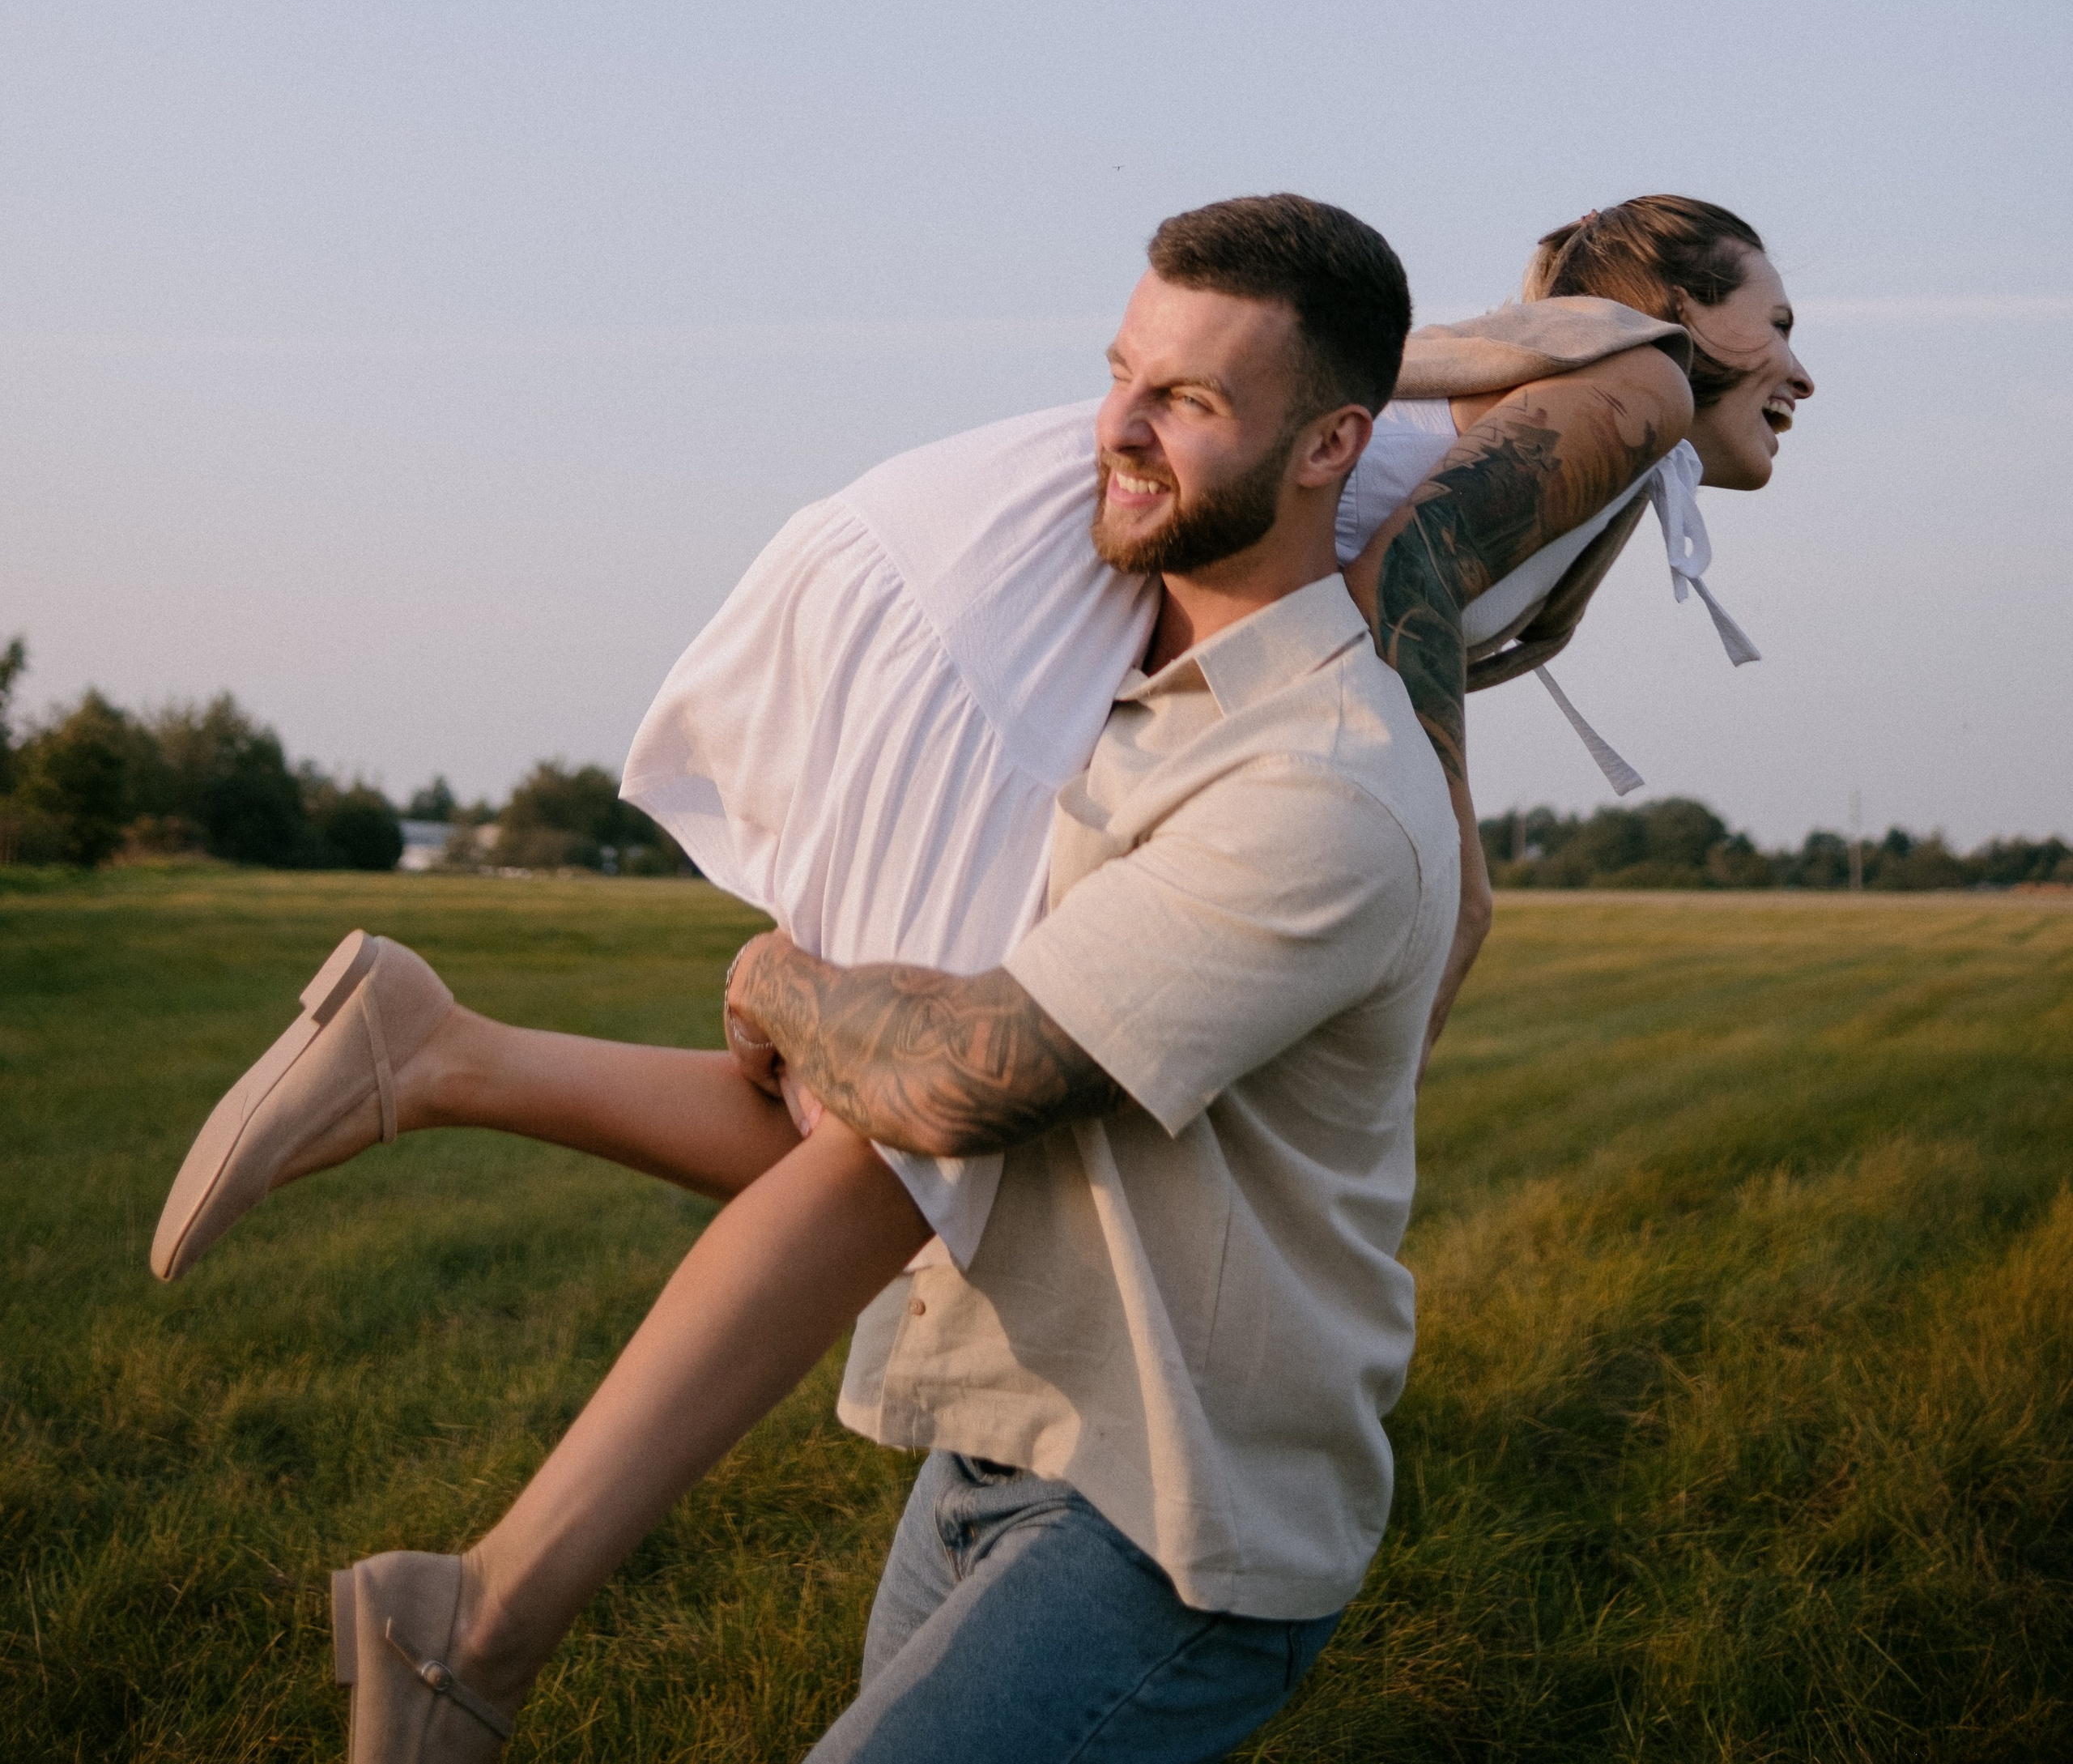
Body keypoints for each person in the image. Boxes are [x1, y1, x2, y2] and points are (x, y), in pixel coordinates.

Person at [151, 195, 1798, 1754]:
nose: (1792, 368)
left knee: (923, 1111)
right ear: (1677, 310)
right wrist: (1443, 864)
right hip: (1033, 611)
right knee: (922, 1105)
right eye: (1773, 320)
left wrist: (1430, 868)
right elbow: (1410, 579)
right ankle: (491, 1585)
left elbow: (1384, 506)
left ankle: (444, 1073)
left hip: (1053, 609)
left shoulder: (1462, 455)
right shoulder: (1630, 395)